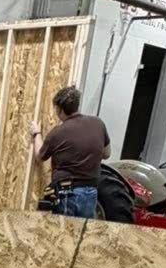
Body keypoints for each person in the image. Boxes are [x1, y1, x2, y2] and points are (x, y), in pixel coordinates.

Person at [31, 87, 109, 218]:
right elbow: (106, 154)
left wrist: (36, 133)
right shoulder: (98, 124)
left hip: (67, 194)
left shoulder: (58, 132)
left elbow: (40, 156)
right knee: (82, 235)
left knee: (65, 235)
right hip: (90, 193)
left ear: (60, 109)